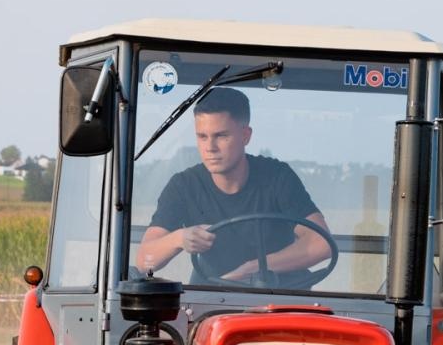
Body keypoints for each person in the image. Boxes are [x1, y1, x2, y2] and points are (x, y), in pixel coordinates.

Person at [136, 87, 332, 286]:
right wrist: (179, 238)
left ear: (245, 136)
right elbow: (144, 261)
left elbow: (321, 243)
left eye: (221, 136)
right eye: (202, 137)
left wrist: (253, 269)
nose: (210, 147)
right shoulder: (184, 186)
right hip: (216, 301)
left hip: (281, 299)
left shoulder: (276, 177)